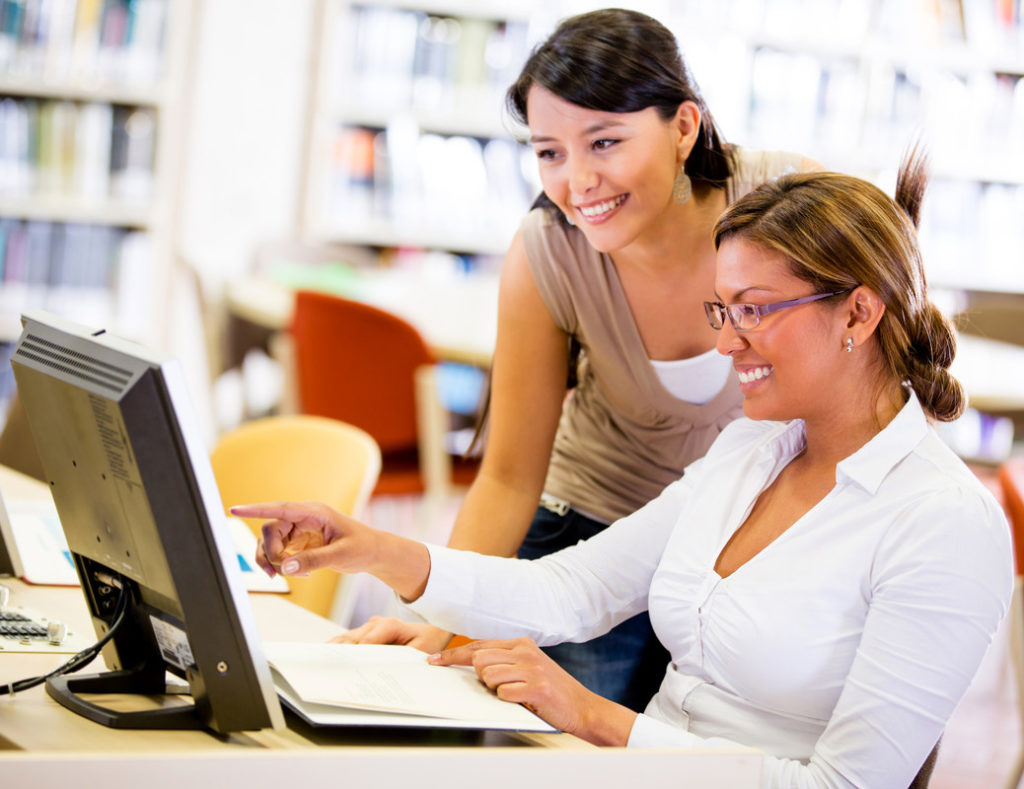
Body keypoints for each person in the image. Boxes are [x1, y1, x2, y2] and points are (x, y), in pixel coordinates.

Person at [234, 152, 1013, 786]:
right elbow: (571, 590)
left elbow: (845, 785)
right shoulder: (751, 450)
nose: (725, 342)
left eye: (753, 309)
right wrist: (372, 548)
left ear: (858, 313)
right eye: (722, 310)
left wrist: (596, 717)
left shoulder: (943, 523)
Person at [338, 7, 818, 712]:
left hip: (742, 552)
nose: (577, 181)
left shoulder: (787, 205)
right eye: (549, 152)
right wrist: (439, 621)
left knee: (705, 753)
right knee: (555, 748)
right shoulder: (548, 252)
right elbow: (507, 478)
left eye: (604, 142)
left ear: (684, 127)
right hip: (590, 531)